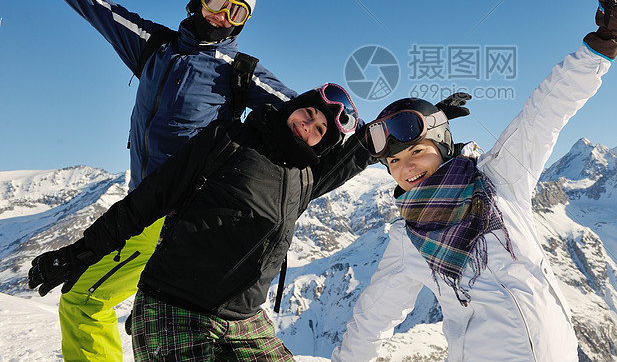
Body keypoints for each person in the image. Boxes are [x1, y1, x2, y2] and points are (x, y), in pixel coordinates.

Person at [8, 0, 296, 362]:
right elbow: (95, 5)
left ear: (242, 23)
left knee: (84, 300)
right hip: (143, 203)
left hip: (177, 215)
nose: (221, 16)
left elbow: (312, 117)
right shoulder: (154, 47)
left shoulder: (239, 73)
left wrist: (399, 135)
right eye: (216, 1)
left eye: (235, 12)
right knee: (135, 315)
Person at [331, 0, 617, 362]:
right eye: (393, 162)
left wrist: (601, 45)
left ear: (443, 146)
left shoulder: (500, 179)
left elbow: (545, 112)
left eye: (417, 152)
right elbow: (371, 321)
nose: (406, 169)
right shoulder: (407, 241)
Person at [29, 83, 372, 362]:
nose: (307, 125)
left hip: (244, 320)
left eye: (320, 128)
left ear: (324, 142)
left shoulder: (305, 178)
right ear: (293, 105)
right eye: (307, 112)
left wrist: (417, 121)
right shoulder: (228, 140)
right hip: (174, 307)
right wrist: (82, 252)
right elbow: (148, 200)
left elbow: (360, 151)